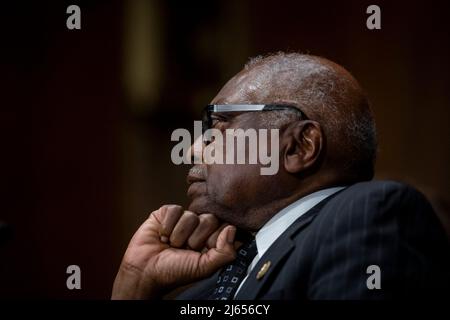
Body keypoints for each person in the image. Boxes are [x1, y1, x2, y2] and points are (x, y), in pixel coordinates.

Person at [111, 52, 450, 300]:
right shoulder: (198, 295)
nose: (193, 149)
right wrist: (135, 283)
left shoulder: (370, 214)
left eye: (219, 126)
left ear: (298, 147)